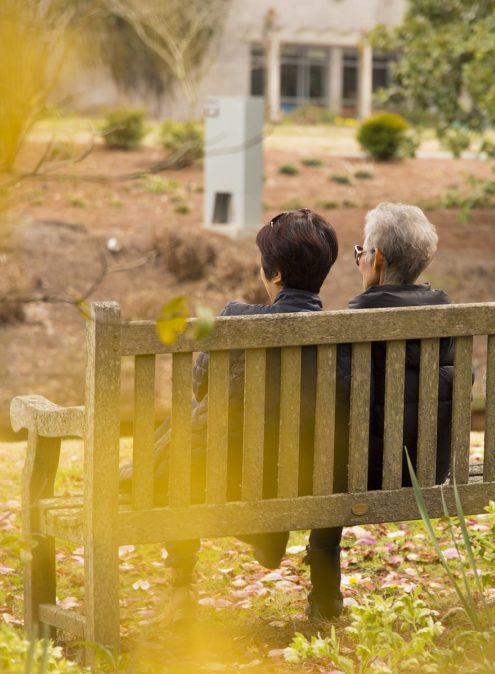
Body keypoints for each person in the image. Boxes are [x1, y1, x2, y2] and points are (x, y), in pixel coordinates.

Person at [120, 208, 339, 608]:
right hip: (312, 477)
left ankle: (181, 587)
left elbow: (201, 384)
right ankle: (317, 587)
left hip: (228, 478)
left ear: (274, 275)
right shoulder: (344, 335)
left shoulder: (238, 318)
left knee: (189, 435)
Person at [307, 202, 457, 619]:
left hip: (360, 474)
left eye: (361, 253)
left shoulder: (352, 321)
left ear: (379, 259)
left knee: (328, 469)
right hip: (428, 468)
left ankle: (325, 602)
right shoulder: (448, 314)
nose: (359, 261)